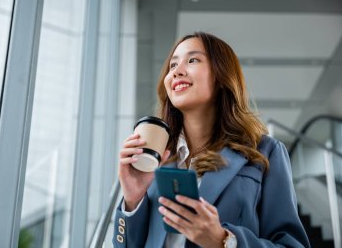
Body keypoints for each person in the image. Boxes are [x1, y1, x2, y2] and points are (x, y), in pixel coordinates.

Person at [113, 31, 310, 248]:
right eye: (172, 65)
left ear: (220, 76)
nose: (177, 72)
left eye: (192, 60)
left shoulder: (265, 152)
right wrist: (132, 201)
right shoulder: (155, 159)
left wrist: (224, 240)